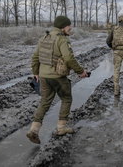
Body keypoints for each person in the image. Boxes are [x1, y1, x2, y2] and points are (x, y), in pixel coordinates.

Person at [27, 16, 89, 144]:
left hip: (43, 77)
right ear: (62, 26)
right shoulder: (62, 39)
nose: (70, 28)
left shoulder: (44, 38)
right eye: (68, 26)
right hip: (58, 77)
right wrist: (81, 71)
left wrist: (35, 73)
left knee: (45, 102)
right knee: (66, 99)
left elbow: (35, 57)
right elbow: (69, 58)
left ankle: (34, 130)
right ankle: (61, 128)